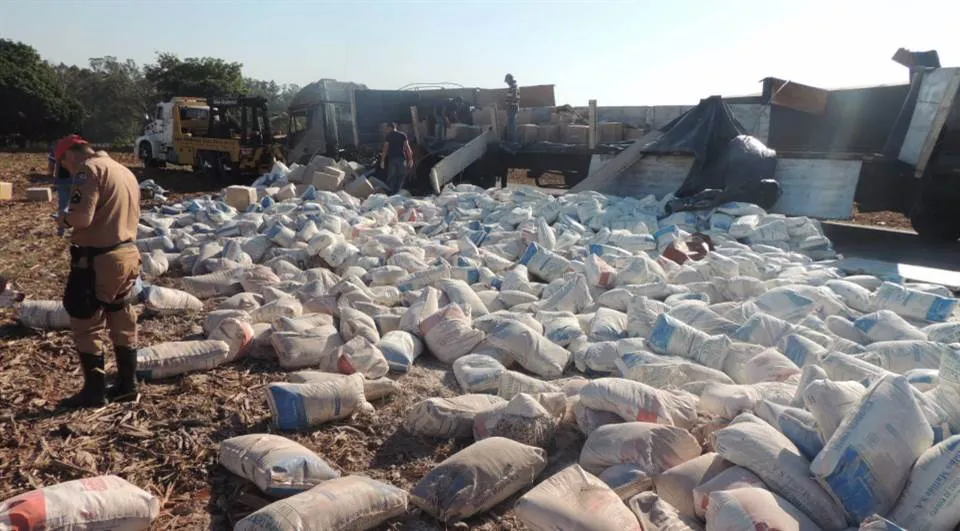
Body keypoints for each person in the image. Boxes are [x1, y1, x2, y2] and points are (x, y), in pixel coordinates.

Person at [54, 135, 142, 408]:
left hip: (98, 260)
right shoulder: (123, 170)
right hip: (127, 254)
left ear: (69, 155)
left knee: (86, 323)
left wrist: (64, 218)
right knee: (121, 317)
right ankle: (128, 385)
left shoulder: (88, 170)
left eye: (63, 165)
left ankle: (94, 392)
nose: (66, 171)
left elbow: (82, 217)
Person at [380, 123, 413, 194]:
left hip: (392, 159)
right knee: (401, 176)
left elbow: (385, 149)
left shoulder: (388, 136)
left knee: (392, 177)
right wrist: (410, 159)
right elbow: (408, 148)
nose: (386, 130)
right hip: (401, 159)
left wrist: (382, 161)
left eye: (387, 128)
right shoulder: (403, 135)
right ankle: (398, 192)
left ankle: (391, 193)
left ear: (390, 128)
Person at [504, 73, 520, 143]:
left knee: (512, 125)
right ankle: (512, 141)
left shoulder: (513, 87)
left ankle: (514, 141)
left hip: (512, 108)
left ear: (509, 80)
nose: (506, 82)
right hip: (512, 108)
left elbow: (514, 97)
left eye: (507, 81)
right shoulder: (513, 86)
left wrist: (509, 104)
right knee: (511, 124)